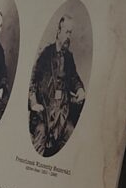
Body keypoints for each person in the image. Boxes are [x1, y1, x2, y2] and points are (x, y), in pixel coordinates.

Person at [28, 12, 87, 156]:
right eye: (67, 32)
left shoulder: (69, 57)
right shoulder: (45, 54)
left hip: (62, 113)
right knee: (41, 133)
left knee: (71, 133)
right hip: (44, 112)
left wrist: (80, 89)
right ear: (59, 31)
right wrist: (34, 103)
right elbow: (32, 81)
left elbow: (74, 78)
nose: (69, 37)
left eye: (70, 33)